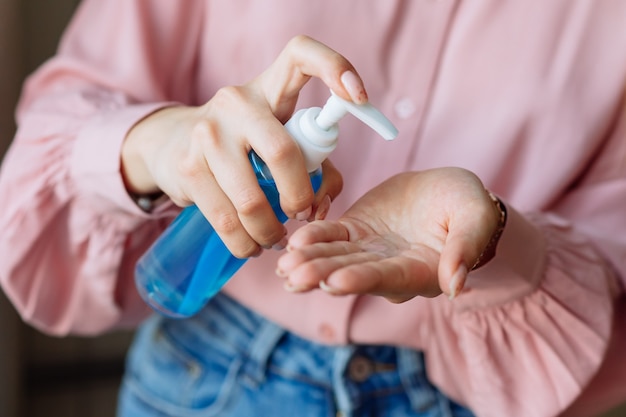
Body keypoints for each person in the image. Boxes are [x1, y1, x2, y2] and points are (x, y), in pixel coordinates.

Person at [0, 1, 625, 416]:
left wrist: (494, 237)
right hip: (204, 367)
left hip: (461, 388)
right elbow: (61, 124)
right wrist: (158, 141)